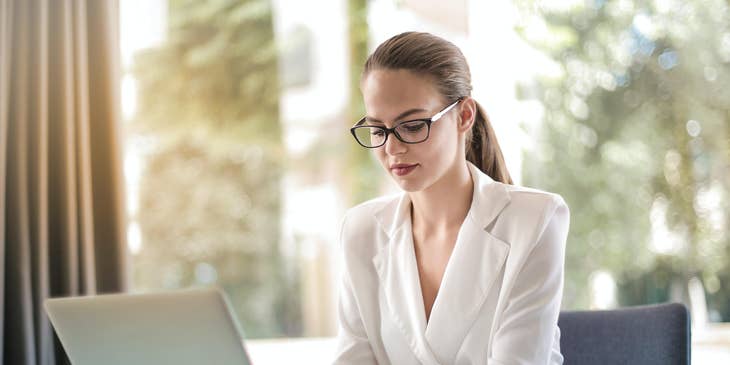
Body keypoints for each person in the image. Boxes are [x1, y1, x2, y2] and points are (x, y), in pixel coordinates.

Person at [333, 31, 570, 365]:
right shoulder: (361, 231)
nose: (391, 149)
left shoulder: (535, 219)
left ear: (463, 116)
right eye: (377, 129)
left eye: (412, 126)